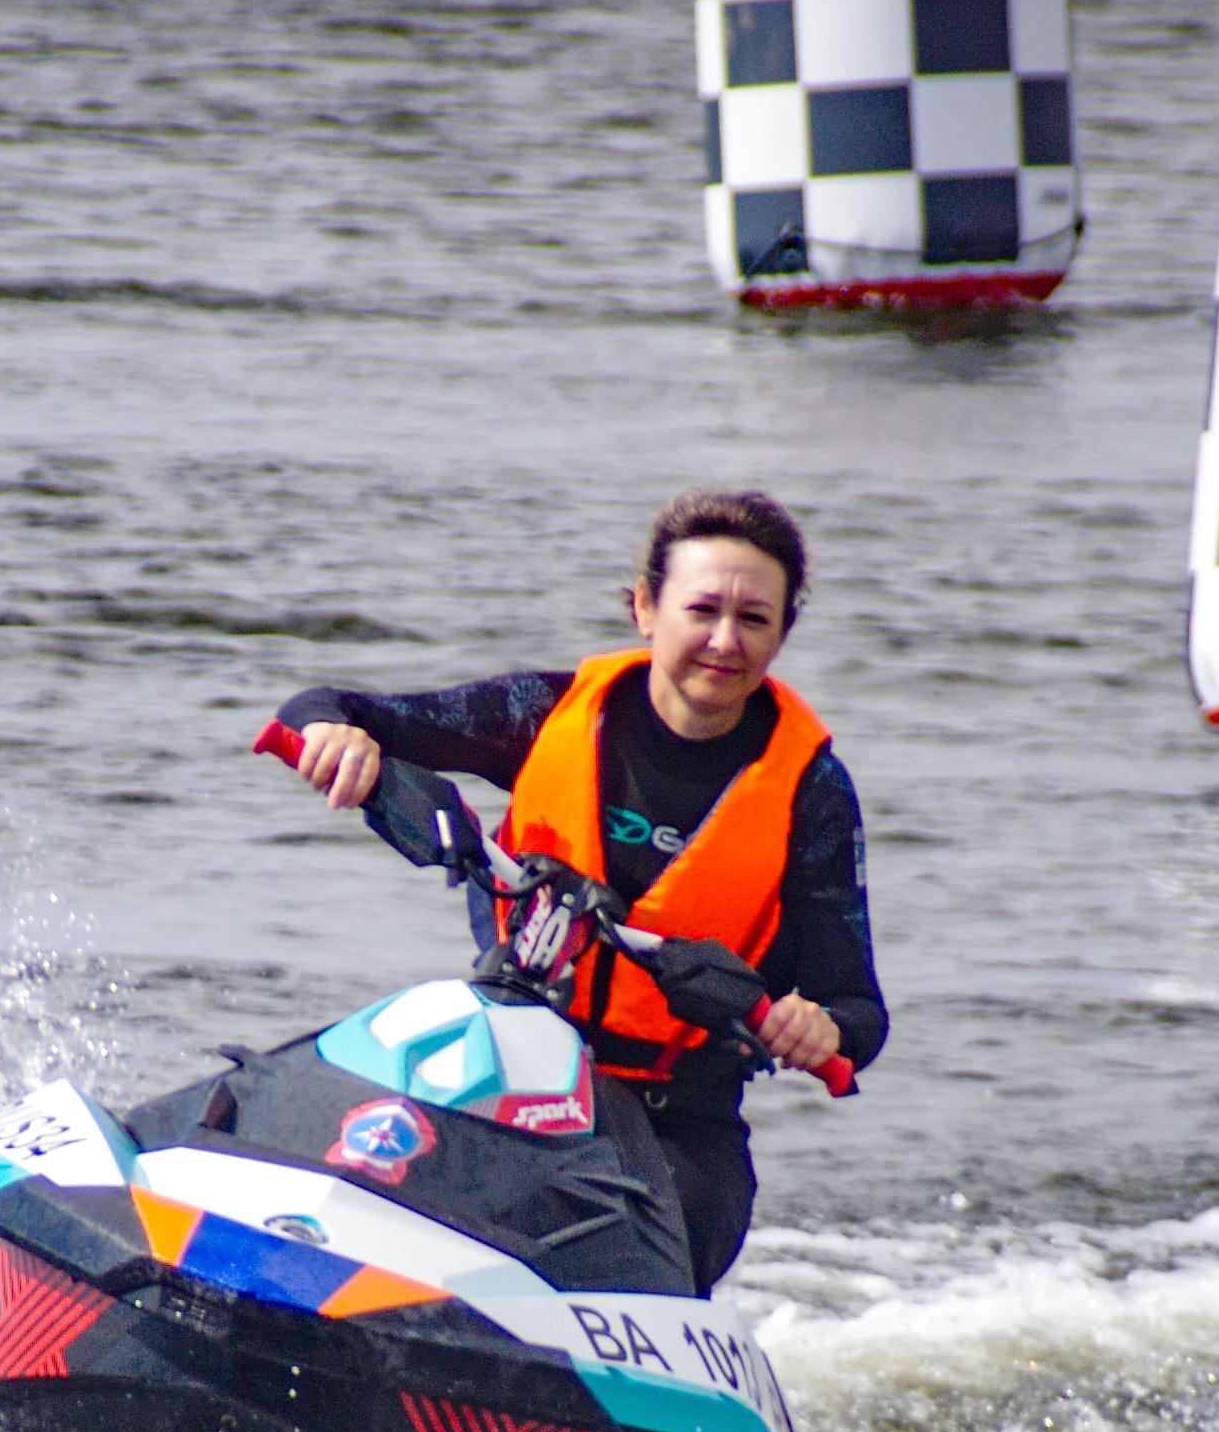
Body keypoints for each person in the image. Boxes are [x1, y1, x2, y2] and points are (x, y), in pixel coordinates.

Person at [271, 488, 885, 1293]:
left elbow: (859, 1016)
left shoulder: (813, 793)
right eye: (702, 609)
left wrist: (819, 1028)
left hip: (677, 1126)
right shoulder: (547, 714)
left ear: (783, 632)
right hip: (502, 1076)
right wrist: (331, 734)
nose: (725, 641)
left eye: (755, 620)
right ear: (644, 609)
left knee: (650, 1257)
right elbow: (331, 706)